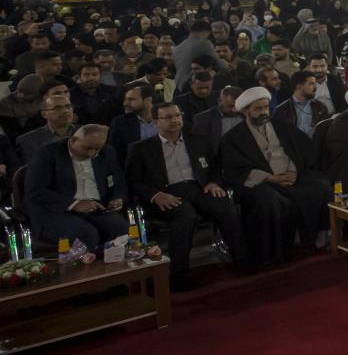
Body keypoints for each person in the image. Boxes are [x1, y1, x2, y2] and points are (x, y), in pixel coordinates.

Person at [125, 101, 249, 288]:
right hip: (166, 192)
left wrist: (215, 181)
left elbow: (215, 167)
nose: (174, 120)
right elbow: (134, 181)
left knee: (225, 207)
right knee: (185, 216)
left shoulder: (198, 140)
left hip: (198, 188)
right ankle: (178, 276)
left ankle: (243, 261)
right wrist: (156, 195)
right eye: (167, 117)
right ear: (155, 122)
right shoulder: (141, 149)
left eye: (177, 115)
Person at [219, 86, 330, 253]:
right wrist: (270, 178)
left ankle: (320, 237)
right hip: (262, 183)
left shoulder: (282, 126)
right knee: (270, 201)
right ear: (245, 111)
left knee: (321, 186)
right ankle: (279, 249)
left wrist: (293, 171)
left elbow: (301, 151)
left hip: (292, 176)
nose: (264, 112)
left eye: (265, 107)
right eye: (258, 109)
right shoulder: (233, 138)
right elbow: (234, 169)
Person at [24, 125, 128, 256]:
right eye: (88, 148)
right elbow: (35, 190)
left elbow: (118, 181)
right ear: (73, 140)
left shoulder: (107, 152)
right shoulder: (47, 154)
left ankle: (114, 269)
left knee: (119, 227)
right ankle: (80, 270)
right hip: (56, 211)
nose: (93, 153)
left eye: (97, 149)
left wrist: (117, 198)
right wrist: (74, 204)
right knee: (86, 234)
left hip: (95, 207)